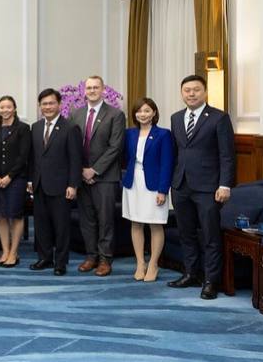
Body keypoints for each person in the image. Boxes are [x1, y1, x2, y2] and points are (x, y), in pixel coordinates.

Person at [167, 75, 235, 300]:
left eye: (196, 90)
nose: (191, 94)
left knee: (210, 235)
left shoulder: (219, 118)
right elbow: (176, 153)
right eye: (187, 90)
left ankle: (210, 281)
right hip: (181, 186)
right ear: (182, 93)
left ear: (204, 92)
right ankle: (190, 273)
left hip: (208, 187)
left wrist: (225, 184)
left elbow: (227, 155)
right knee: (186, 233)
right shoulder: (176, 118)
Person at [72, 76, 125, 277]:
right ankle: (91, 256)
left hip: (105, 177)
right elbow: (73, 146)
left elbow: (115, 147)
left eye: (96, 87)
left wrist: (94, 170)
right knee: (87, 220)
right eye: (89, 87)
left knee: (105, 220)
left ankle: (105, 260)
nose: (92, 90)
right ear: (84, 91)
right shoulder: (76, 114)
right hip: (81, 176)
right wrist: (80, 170)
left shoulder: (115, 115)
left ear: (103, 89)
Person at [27, 88, 82, 276]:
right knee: (41, 224)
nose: (48, 107)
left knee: (61, 226)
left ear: (59, 105)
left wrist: (73, 185)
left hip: (61, 186)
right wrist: (30, 181)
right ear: (40, 106)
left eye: (51, 103)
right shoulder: (35, 127)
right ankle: (44, 258)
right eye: (44, 104)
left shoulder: (70, 127)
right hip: (39, 184)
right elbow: (32, 158)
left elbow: (76, 159)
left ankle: (60, 262)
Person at [122, 97, 173, 282]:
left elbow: (167, 164)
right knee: (136, 223)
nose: (142, 114)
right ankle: (140, 263)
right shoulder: (129, 133)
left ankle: (153, 263)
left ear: (154, 113)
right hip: (133, 182)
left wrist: (162, 190)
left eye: (146, 111)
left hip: (154, 184)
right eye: (139, 111)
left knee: (155, 223)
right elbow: (125, 158)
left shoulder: (163, 134)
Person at [0, 95, 31, 268]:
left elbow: (23, 156)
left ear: (14, 108)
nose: (5, 110)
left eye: (8, 107)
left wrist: (9, 176)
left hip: (16, 180)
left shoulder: (23, 128)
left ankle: (14, 252)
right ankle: (5, 251)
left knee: (15, 215)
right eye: (2, 107)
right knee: (1, 215)